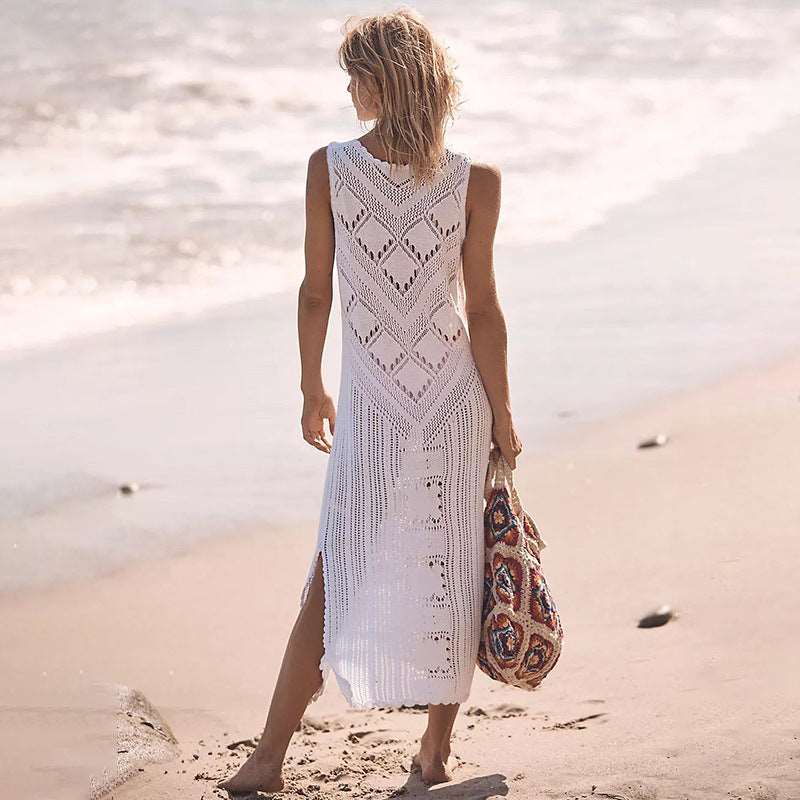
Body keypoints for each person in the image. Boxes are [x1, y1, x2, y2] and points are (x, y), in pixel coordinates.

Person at [218, 8, 521, 794]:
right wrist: (503, 416)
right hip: (439, 403)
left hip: (393, 403)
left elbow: (316, 289)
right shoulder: (471, 181)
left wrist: (309, 384)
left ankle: (281, 759)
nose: (347, 88)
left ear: (382, 80)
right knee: (438, 566)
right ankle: (410, 758)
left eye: (353, 73)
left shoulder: (330, 167)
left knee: (349, 573)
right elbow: (482, 311)